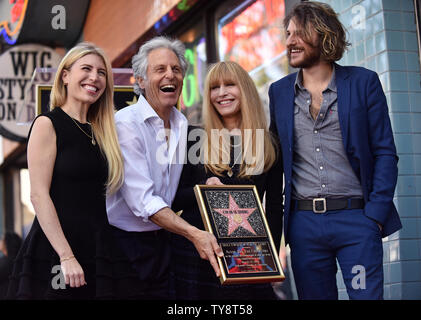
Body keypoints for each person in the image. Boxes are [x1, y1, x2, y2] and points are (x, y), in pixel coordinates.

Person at [268, 1, 402, 300]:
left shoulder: (363, 82)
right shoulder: (278, 91)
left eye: (298, 33)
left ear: (323, 35)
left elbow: (384, 152)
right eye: (287, 34)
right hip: (304, 227)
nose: (289, 41)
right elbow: (274, 160)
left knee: (364, 297)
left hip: (356, 222)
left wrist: (374, 216)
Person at [7, 42, 129, 299]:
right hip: (57, 250)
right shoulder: (47, 124)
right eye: (86, 69)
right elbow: (38, 195)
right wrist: (66, 255)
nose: (94, 77)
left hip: (98, 248)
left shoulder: (103, 132)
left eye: (101, 72)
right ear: (65, 76)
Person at [106, 36, 223, 300]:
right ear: (141, 81)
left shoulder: (182, 124)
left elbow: (169, 191)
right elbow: (145, 201)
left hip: (163, 242)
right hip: (124, 247)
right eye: (159, 69)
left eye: (176, 69)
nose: (170, 74)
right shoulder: (125, 124)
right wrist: (194, 233)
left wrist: (205, 189)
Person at [169, 61, 283, 300]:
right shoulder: (193, 137)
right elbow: (173, 199)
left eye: (230, 85)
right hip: (197, 256)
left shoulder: (269, 143)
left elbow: (273, 208)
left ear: (246, 90)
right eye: (214, 87)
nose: (221, 93)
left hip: (246, 258)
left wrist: (269, 260)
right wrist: (203, 190)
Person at [0, 232, 22, 299]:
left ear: (7, 243)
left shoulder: (8, 262)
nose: (0, 241)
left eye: (2, 239)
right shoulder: (15, 260)